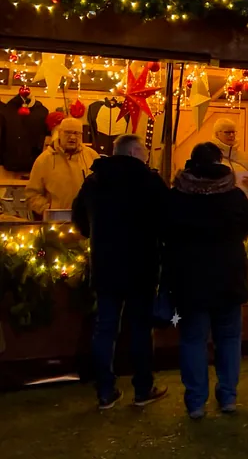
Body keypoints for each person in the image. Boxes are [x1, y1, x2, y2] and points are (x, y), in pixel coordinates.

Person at [72, 134, 169, 410]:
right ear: (136, 151)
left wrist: (96, 236)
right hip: (142, 265)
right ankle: (142, 388)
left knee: (105, 329)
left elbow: (79, 218)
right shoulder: (150, 181)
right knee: (140, 328)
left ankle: (105, 391)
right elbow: (167, 220)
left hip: (105, 264)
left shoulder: (94, 181)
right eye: (146, 152)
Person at [166, 142, 248, 420]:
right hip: (228, 275)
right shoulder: (233, 195)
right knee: (228, 339)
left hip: (190, 279)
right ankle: (228, 396)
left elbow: (164, 229)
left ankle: (195, 403)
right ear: (219, 162)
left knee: (193, 340)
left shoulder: (177, 196)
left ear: (191, 163)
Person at [26, 117, 99, 216]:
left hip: (87, 221)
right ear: (59, 133)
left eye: (76, 133)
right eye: (68, 132)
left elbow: (104, 188)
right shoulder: (44, 160)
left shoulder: (92, 156)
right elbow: (32, 195)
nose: (72, 137)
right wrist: (49, 210)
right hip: (57, 224)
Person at [212, 118, 248, 197]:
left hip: (244, 205)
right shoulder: (210, 156)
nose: (232, 135)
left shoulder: (243, 156)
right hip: (219, 205)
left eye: (233, 132)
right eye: (227, 132)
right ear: (217, 134)